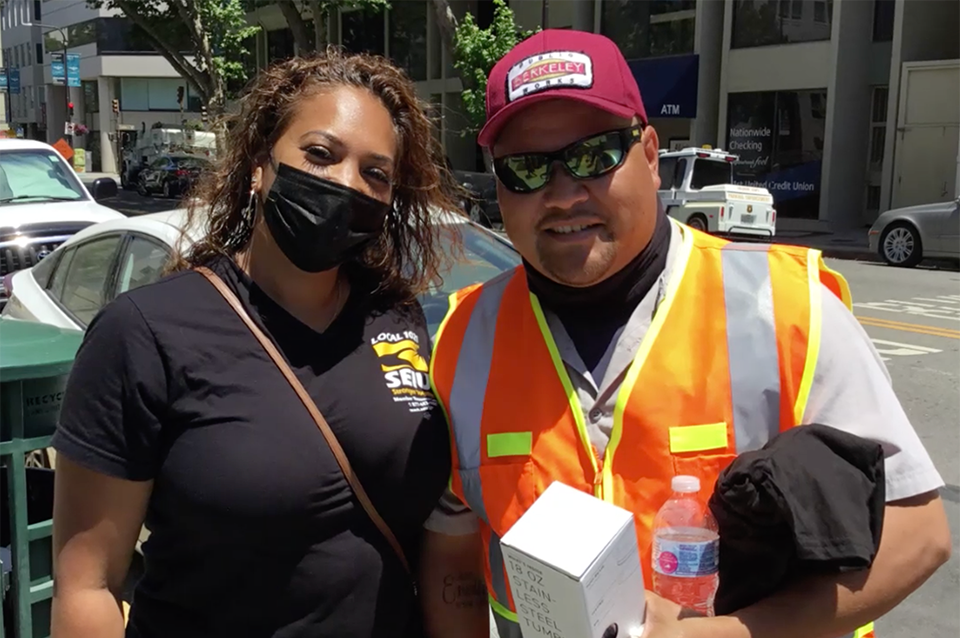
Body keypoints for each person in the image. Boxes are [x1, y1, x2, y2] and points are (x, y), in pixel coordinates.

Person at [421, 29, 952, 638]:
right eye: (527, 169)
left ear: (650, 155)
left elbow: (918, 533)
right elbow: (453, 546)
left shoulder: (786, 306)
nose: (564, 194)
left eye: (595, 156)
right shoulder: (460, 340)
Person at [51, 50, 465, 638]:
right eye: (320, 154)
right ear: (258, 166)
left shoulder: (397, 321)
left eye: (375, 172)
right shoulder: (144, 333)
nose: (346, 182)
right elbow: (87, 587)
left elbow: (438, 535)